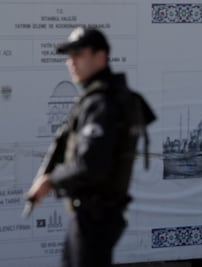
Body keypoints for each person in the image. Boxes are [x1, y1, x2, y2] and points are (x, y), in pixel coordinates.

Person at [26, 27, 155, 267]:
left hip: (95, 215)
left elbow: (90, 164)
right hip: (98, 214)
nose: (71, 62)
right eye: (69, 56)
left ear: (101, 56)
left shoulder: (102, 103)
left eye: (79, 54)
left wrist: (50, 180)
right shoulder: (113, 96)